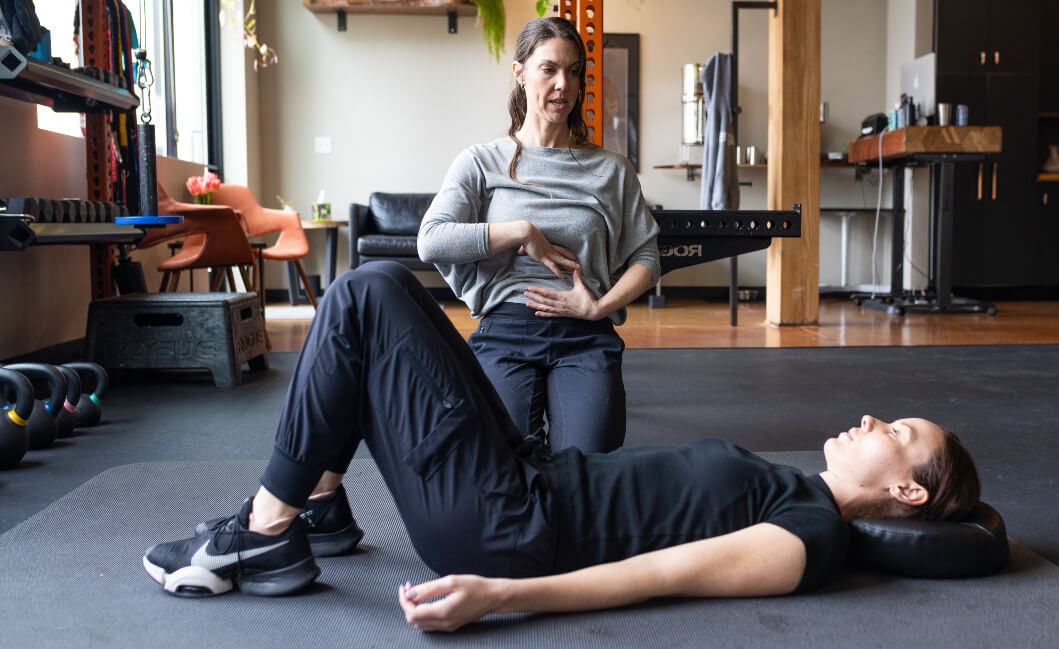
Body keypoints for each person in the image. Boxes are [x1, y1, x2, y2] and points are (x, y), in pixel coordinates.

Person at [142, 262, 982, 632]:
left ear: (909, 493)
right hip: (527, 478)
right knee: (387, 294)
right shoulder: (789, 485)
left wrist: (500, 595)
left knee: (365, 295)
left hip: (511, 524)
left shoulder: (810, 534)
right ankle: (316, 511)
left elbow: (656, 576)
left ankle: (264, 530)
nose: (875, 421)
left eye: (899, 434)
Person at [417, 17, 660, 454]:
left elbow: (647, 257)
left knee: (587, 465)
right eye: (548, 69)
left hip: (585, 332)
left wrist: (601, 306)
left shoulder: (612, 170)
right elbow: (431, 239)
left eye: (572, 71)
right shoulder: (481, 161)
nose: (562, 85)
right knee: (504, 460)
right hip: (507, 329)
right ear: (520, 74)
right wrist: (520, 232)